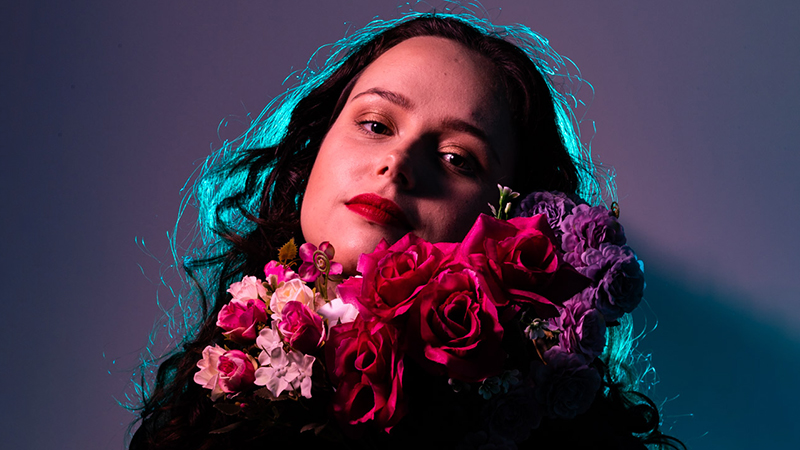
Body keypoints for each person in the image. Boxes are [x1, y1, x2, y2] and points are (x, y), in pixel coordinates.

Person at [129, 9, 683, 450]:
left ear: (512, 222)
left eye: (457, 158)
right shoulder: (206, 406)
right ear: (311, 153)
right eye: (374, 124)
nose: (398, 162)